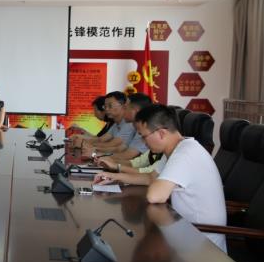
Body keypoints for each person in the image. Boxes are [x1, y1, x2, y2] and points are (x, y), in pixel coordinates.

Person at [93, 104, 226, 252]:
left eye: (144, 136)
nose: (143, 142)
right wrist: (114, 176)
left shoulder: (186, 153)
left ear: (161, 133)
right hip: (184, 231)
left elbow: (155, 196)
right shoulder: (176, 149)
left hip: (201, 245)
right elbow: (150, 177)